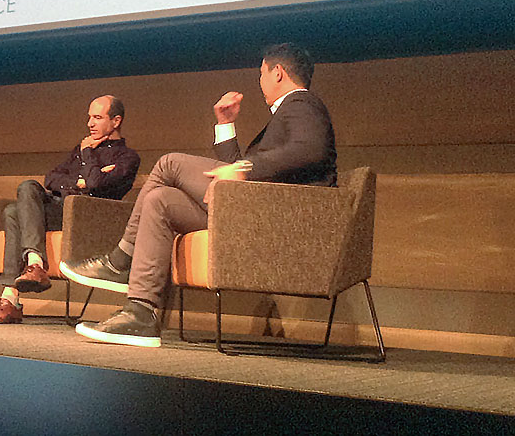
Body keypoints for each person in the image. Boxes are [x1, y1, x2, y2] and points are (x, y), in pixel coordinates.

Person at [61, 43, 337, 347]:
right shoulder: (289, 111)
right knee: (159, 200)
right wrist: (225, 125)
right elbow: (234, 168)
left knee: (169, 164)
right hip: (255, 206)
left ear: (278, 72)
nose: (260, 82)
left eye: (261, 74)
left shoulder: (302, 103)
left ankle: (119, 260)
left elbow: (311, 150)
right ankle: (141, 312)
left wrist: (245, 167)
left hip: (278, 214)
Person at [0, 95, 140, 324]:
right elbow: (51, 178)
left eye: (98, 117)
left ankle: (12, 298)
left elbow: (95, 185)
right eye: (89, 117)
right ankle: (30, 270)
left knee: (14, 212)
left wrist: (88, 157)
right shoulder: (78, 150)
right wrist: (77, 184)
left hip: (85, 218)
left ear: (116, 121)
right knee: (24, 193)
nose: (90, 124)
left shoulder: (127, 157)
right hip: (60, 208)